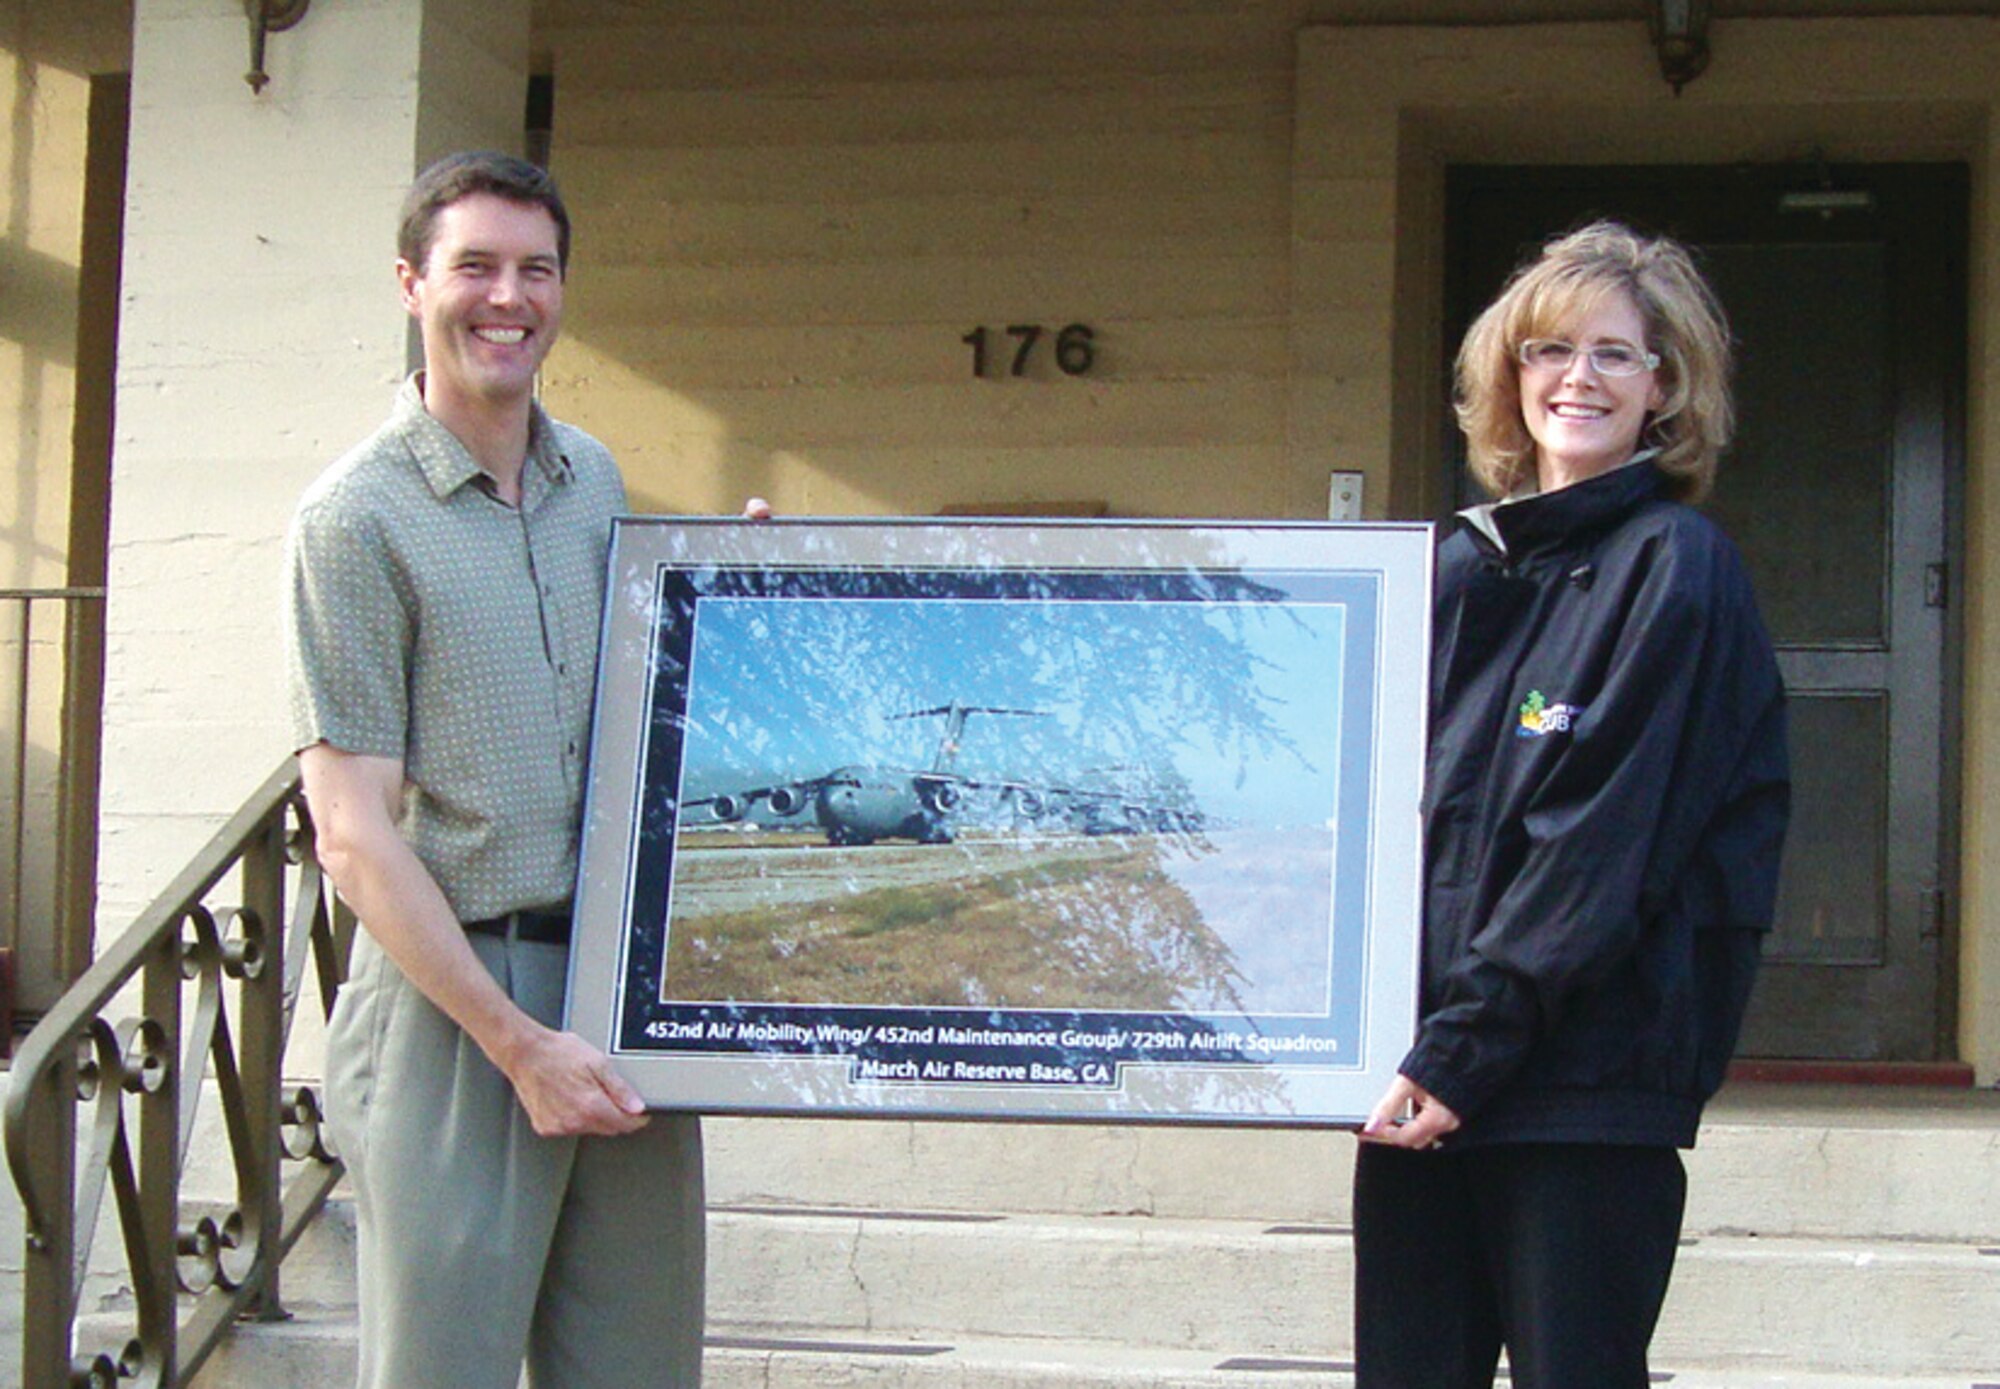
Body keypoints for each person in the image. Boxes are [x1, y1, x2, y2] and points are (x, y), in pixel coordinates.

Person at [284, 151, 705, 1388]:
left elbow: (647, 692)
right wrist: (517, 1044)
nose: (506, 298)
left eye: (536, 270)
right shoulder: (355, 520)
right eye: (474, 266)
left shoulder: (597, 484)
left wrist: (735, 594)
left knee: (637, 1367)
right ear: (412, 282)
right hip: (456, 1005)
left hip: (622, 1000)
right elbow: (353, 832)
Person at [1352, 221, 1790, 1389]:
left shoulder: (1674, 567)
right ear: (1508, 377)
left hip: (1576, 1091)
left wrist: (1462, 1048)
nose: (1574, 379)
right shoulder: (1454, 571)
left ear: (1665, 385)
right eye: (1546, 351)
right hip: (1423, 1073)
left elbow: (1596, 844)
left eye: (1612, 354)